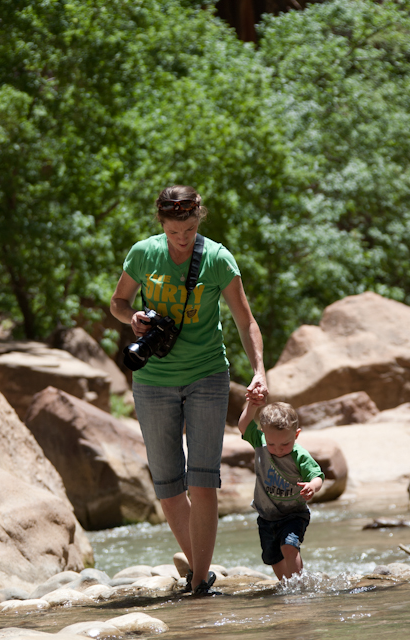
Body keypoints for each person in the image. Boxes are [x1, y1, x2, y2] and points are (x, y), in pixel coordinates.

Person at [110, 185, 267, 596]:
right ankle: (201, 570)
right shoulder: (143, 254)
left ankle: (198, 583)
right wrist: (134, 318)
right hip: (152, 381)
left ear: (200, 220)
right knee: (168, 484)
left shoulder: (217, 258)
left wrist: (259, 371)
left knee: (202, 481)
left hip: (206, 376)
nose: (183, 238)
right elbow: (117, 303)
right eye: (175, 230)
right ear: (161, 223)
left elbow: (245, 320)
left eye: (190, 229)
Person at [237, 401, 323, 580]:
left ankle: (299, 587)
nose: (278, 450)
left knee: (289, 547)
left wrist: (312, 486)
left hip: (294, 514)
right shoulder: (260, 442)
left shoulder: (300, 456)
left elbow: (318, 476)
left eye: (285, 444)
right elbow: (244, 425)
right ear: (263, 435)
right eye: (272, 444)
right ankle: (286, 587)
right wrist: (252, 406)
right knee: (273, 557)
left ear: (296, 435)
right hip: (266, 516)